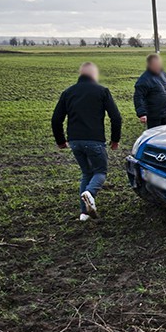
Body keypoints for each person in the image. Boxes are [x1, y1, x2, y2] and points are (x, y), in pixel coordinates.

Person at [51, 62, 122, 221]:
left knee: (86, 172)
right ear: (93, 75)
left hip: (75, 141)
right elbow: (116, 117)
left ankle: (84, 213)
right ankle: (90, 193)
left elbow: (56, 119)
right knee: (100, 172)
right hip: (95, 140)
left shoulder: (68, 92)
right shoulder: (102, 91)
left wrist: (61, 141)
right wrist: (115, 139)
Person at [134, 53, 166, 128]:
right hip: (154, 116)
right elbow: (138, 97)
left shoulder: (163, 74)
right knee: (156, 135)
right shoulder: (144, 80)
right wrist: (142, 113)